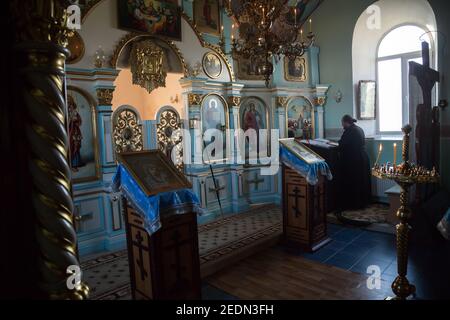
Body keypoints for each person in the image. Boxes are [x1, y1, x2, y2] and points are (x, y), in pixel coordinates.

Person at [337, 115, 371, 211]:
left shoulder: (350, 131)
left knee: (354, 181)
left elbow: (342, 144)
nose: (342, 125)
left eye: (342, 122)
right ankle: (362, 202)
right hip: (361, 157)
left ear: (345, 122)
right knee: (361, 181)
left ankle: (353, 204)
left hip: (354, 160)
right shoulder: (358, 128)